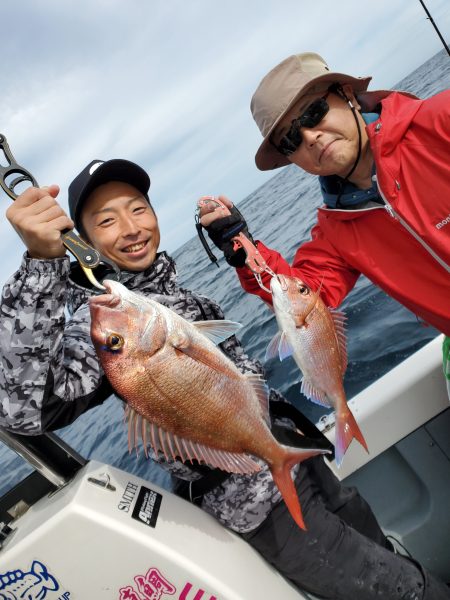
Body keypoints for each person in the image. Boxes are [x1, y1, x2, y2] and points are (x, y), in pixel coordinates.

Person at [0, 160, 448, 600]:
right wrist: (41, 266)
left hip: (292, 452)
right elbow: (23, 410)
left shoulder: (176, 294)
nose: (131, 227)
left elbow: (295, 307)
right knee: (397, 591)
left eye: (138, 209)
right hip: (261, 507)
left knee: (374, 540)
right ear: (86, 241)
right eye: (106, 220)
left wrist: (240, 243)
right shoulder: (104, 326)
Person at [198, 51, 450, 400]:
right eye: (291, 140)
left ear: (347, 95)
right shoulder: (336, 232)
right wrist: (245, 249)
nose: (310, 137)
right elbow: (305, 299)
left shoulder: (441, 120)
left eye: (313, 112)